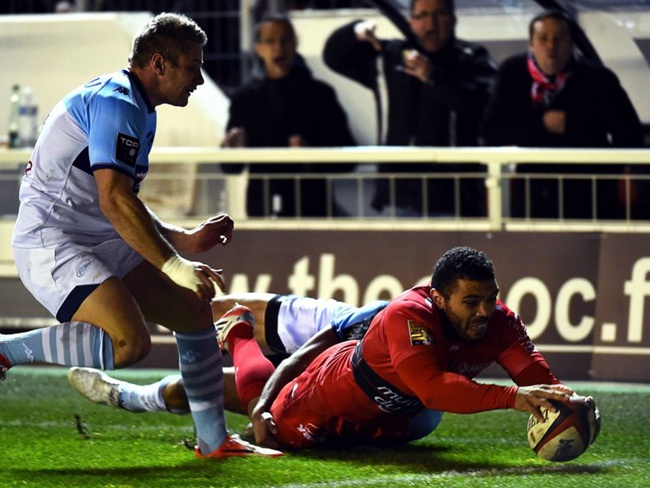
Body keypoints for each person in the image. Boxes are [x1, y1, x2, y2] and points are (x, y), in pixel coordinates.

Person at [5, 12, 279, 459]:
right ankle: (4, 352)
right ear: (158, 63)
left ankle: (215, 442)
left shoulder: (134, 103)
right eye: (192, 67)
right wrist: (173, 263)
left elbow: (121, 201)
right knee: (129, 343)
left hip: (94, 233)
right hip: (52, 239)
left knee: (193, 312)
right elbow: (115, 199)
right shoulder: (118, 103)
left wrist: (184, 240)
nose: (199, 80)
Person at [71, 247, 593, 455]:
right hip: (337, 345)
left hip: (398, 403)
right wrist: (263, 403)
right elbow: (319, 347)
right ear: (438, 298)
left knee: (406, 420)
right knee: (251, 391)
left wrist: (564, 400)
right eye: (471, 303)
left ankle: (234, 354)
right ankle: (230, 335)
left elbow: (532, 371)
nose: (484, 313)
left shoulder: (493, 320)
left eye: (489, 301)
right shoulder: (401, 318)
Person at [322, 0, 497, 217]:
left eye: (439, 15)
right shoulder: (389, 56)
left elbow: (482, 106)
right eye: (422, 16)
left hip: (454, 200)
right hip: (396, 196)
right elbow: (333, 56)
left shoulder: (472, 57)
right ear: (410, 22)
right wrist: (358, 30)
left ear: (453, 20)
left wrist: (433, 77)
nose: (430, 25)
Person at [68, 298, 388, 416]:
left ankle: (129, 397)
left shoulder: (416, 344)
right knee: (207, 312)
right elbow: (324, 342)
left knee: (198, 388)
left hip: (350, 382)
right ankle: (116, 317)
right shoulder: (391, 317)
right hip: (332, 330)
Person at [481, 9, 644, 219]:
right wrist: (542, 126)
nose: (551, 46)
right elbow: (491, 132)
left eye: (560, 38)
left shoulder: (599, 79)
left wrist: (606, 168)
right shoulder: (512, 73)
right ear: (531, 43)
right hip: (532, 197)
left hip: (589, 195)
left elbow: (630, 135)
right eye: (543, 38)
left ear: (572, 43)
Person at [221, 14, 357, 218]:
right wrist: (230, 150)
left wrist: (311, 154)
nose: (279, 47)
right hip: (263, 209)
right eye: (270, 41)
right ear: (259, 49)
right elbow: (231, 167)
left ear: (295, 44)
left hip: (311, 208)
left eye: (285, 39)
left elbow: (348, 156)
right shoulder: (244, 99)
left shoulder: (320, 95)